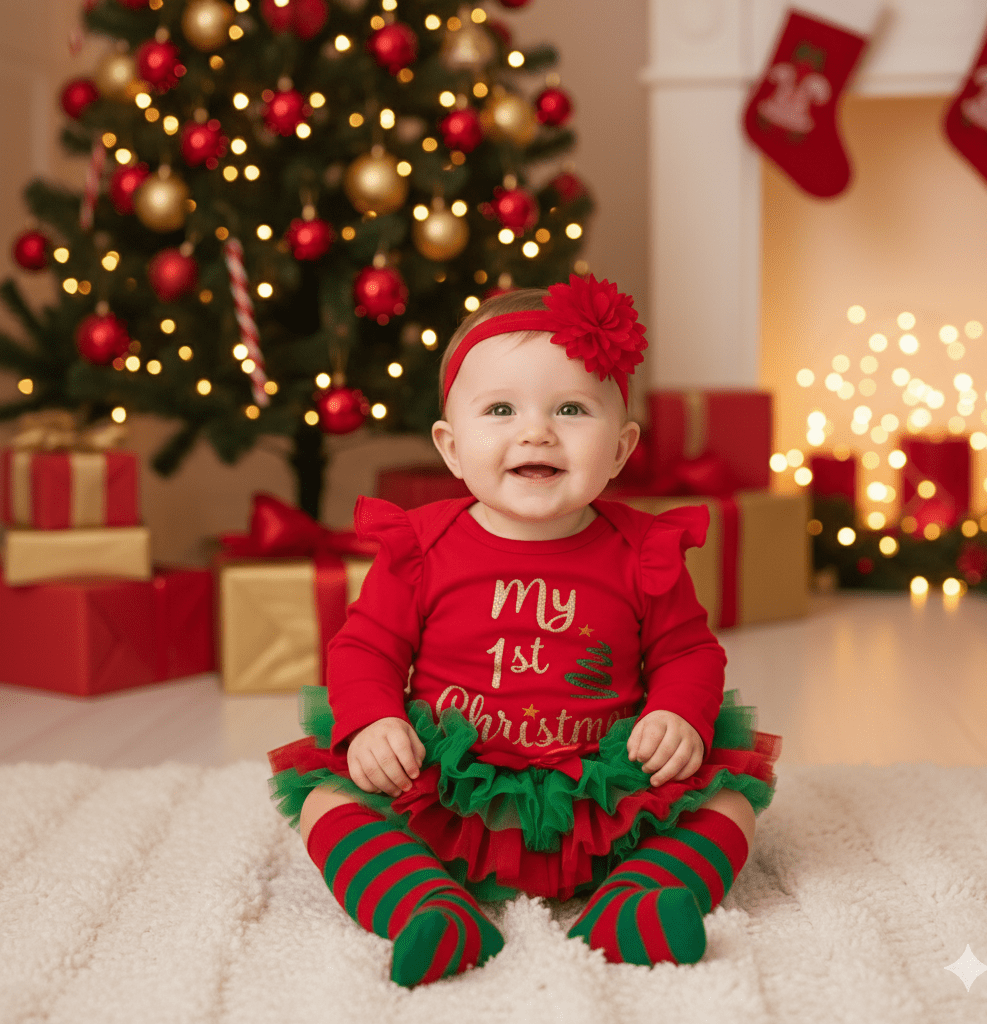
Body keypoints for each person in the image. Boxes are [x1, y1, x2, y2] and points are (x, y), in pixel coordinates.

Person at [268, 274, 780, 987]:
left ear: (623, 448)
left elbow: (687, 650)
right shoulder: (421, 547)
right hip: (452, 793)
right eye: (501, 409)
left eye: (571, 409)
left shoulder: (642, 551)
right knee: (327, 799)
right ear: (451, 447)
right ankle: (425, 904)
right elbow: (365, 648)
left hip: (607, 797)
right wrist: (372, 723)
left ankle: (638, 900)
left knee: (729, 799)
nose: (535, 431)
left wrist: (676, 713)